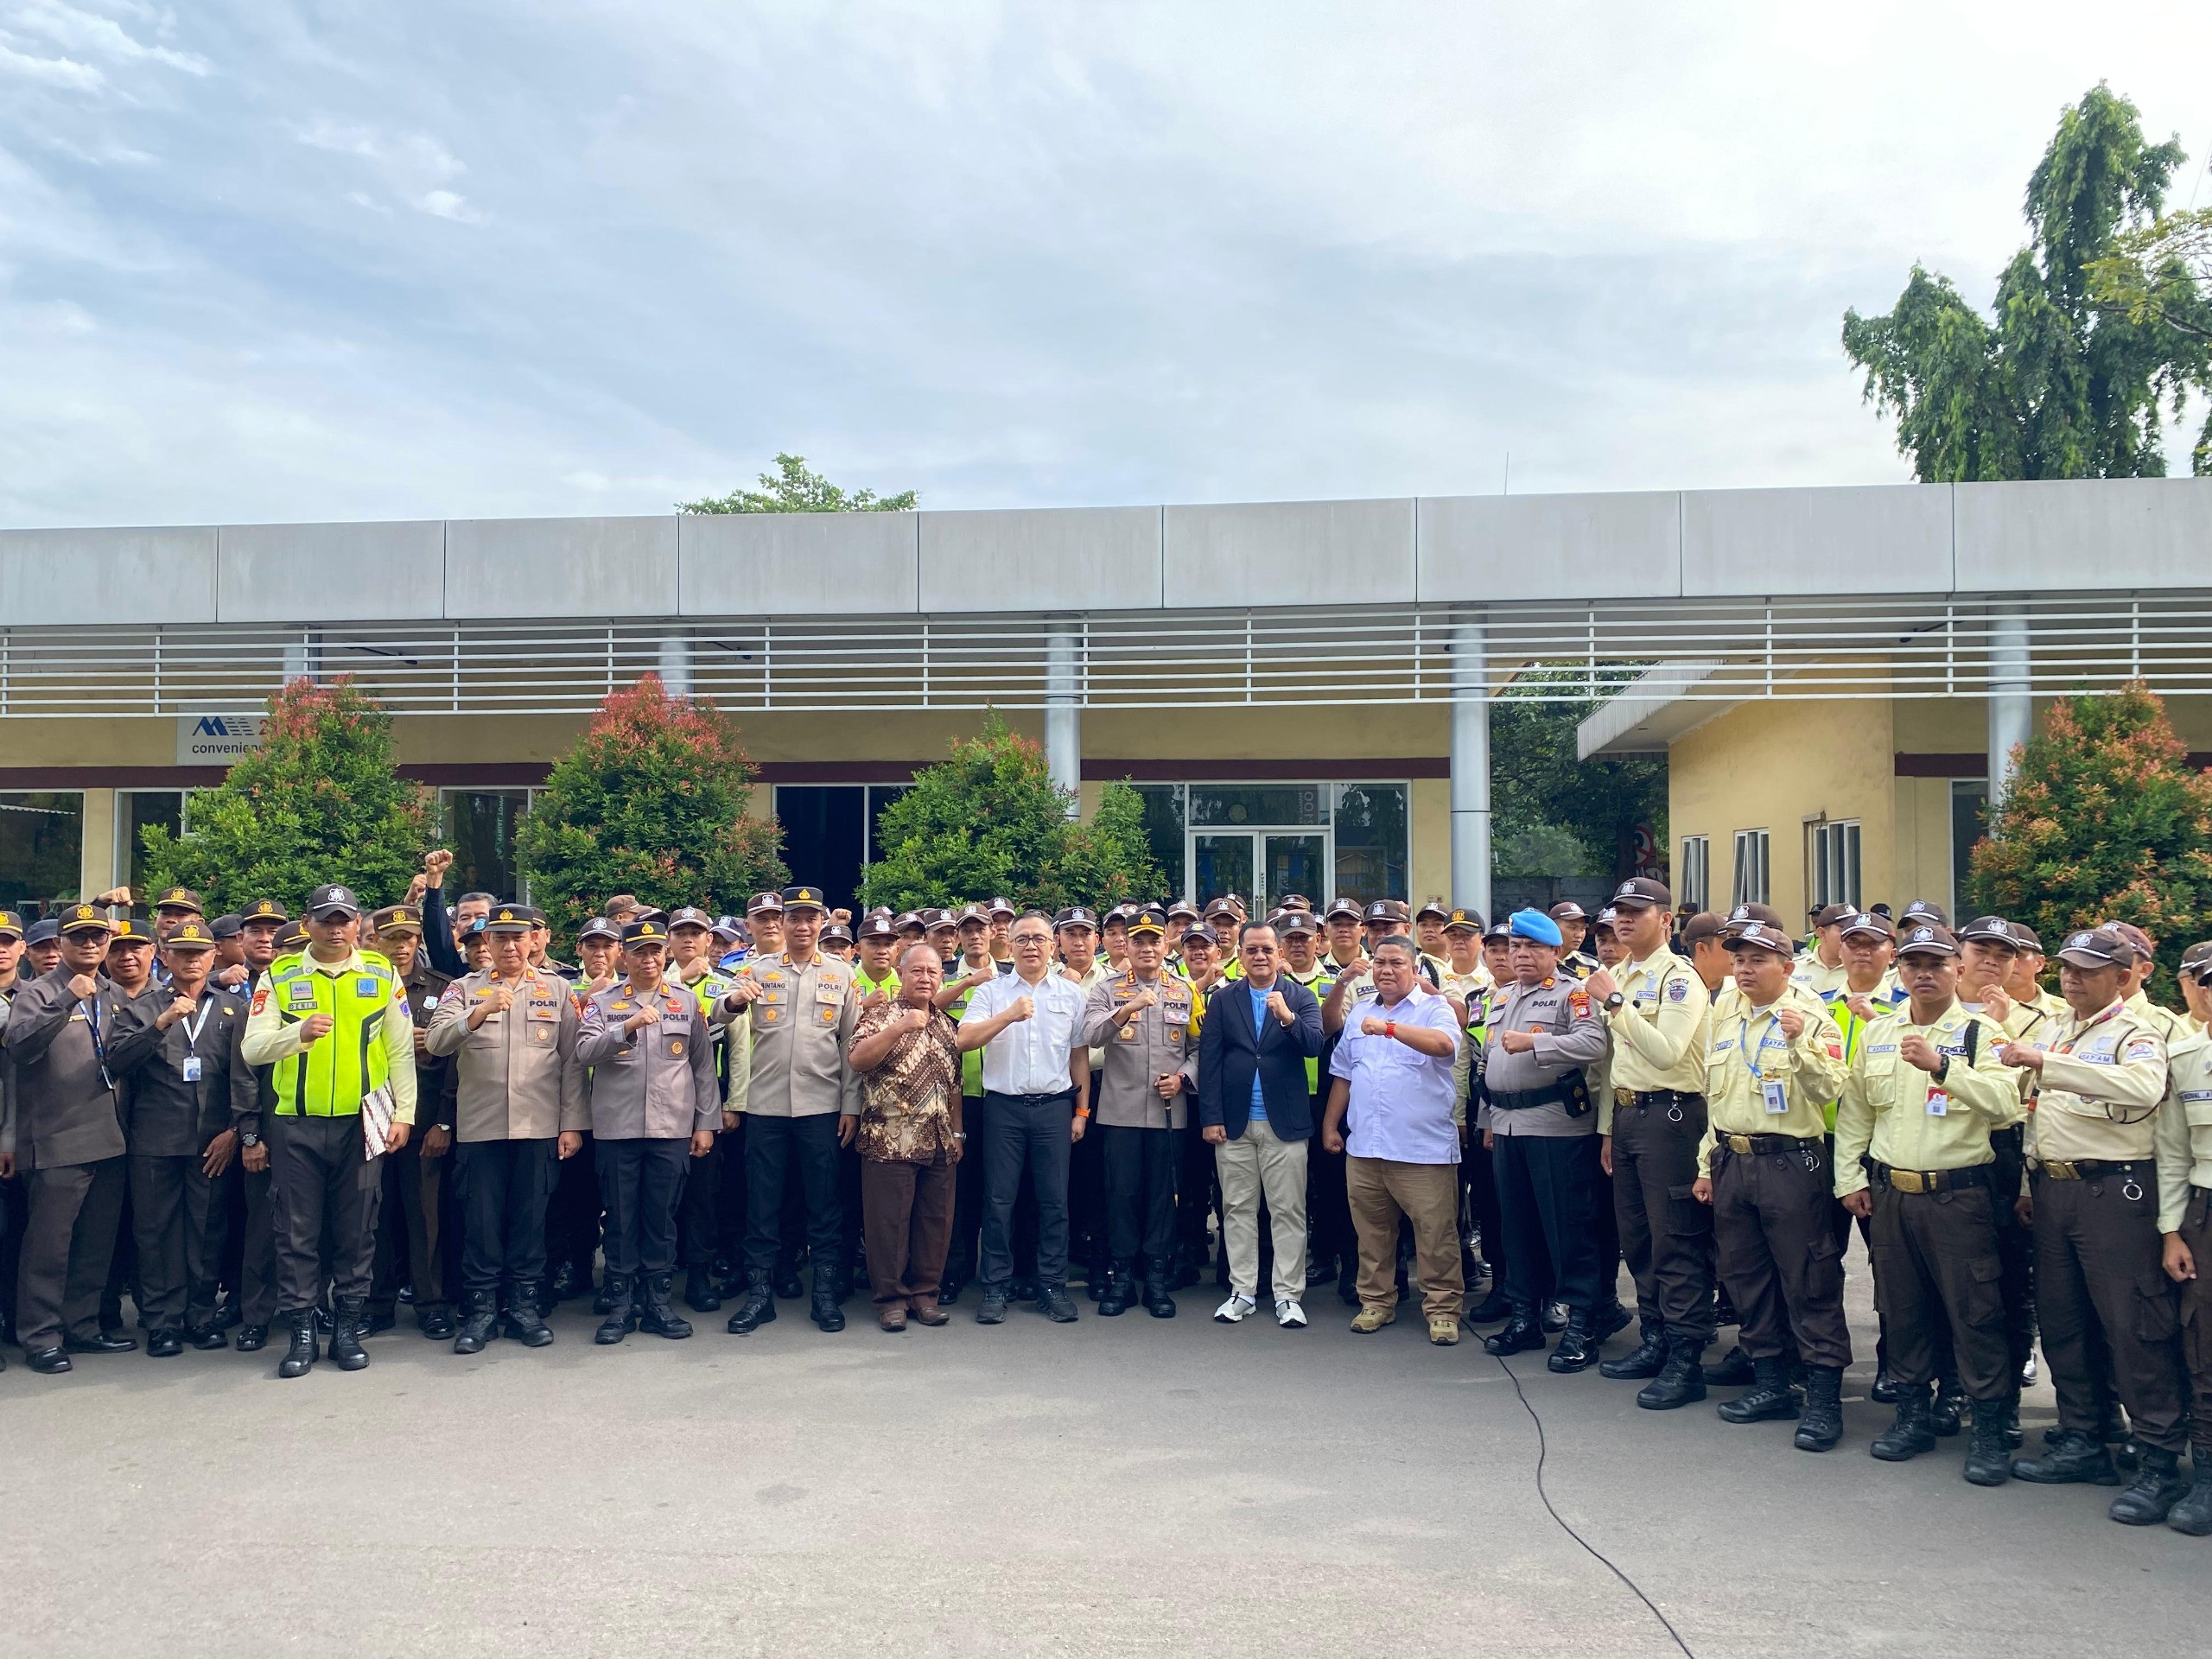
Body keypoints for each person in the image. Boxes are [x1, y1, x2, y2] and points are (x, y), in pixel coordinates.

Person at [2005, 926, 2196, 1522]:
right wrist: (2031, 1182)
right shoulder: (2061, 1028)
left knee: (2133, 1325)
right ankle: (2084, 1438)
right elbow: (2040, 1116)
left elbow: (2141, 1090)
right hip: (2059, 1189)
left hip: (2116, 1190)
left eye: (2088, 970)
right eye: (2067, 969)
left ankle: (2159, 1459)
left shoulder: (2137, 1033)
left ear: (2125, 976)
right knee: (2064, 1320)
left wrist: (2048, 1062)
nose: (2072, 979)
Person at [1834, 922, 2022, 1484]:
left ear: (1957, 970)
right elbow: (1858, 1112)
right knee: (1903, 1310)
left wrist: (1945, 1069)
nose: (1923, 974)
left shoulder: (1980, 1033)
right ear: (1901, 971)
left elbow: (2006, 1104)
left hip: (1958, 1196)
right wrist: (1850, 1177)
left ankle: (1987, 1429)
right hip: (1894, 1194)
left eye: (1936, 964)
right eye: (1913, 964)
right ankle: (1912, 1415)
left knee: (1976, 1314)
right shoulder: (1880, 1032)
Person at [239, 886, 417, 1379]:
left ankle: (347, 1326)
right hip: (296, 1121)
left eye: (345, 919)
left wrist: (404, 1114)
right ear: (307, 923)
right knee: (295, 1230)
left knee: (357, 1227)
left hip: (363, 1120)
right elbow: (252, 1049)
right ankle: (301, 1329)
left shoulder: (382, 973)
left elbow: (401, 1051)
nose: (337, 928)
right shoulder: (280, 974)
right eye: (326, 919)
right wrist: (295, 1035)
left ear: (359, 923)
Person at [1695, 918, 1852, 1449]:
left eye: (1757, 960)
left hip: (1788, 1161)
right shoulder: (1725, 1010)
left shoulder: (1809, 1014)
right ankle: (1770, 1384)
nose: (1744, 969)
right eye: (1738, 959)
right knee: (1746, 1278)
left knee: (1808, 1279)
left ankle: (1824, 1397)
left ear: (1787, 966)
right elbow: (1716, 1095)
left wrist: (1798, 1041)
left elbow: (1832, 1088)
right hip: (1732, 1159)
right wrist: (1704, 1163)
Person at [424, 903, 586, 1352]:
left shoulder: (555, 991)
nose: (510, 946)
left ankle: (524, 1307)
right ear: (486, 945)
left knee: (530, 1221)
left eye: (519, 937)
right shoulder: (462, 989)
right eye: (500, 938)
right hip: (481, 1127)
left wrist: (571, 1125)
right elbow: (436, 1042)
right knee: (481, 1221)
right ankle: (480, 1312)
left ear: (534, 940)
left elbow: (572, 1063)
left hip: (538, 1127)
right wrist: (478, 1014)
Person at [1588, 876, 1716, 1408]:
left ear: (1665, 920)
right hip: (1629, 1115)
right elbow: (1613, 1062)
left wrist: (1617, 1004)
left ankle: (1687, 1359)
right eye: (1619, 910)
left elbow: (1667, 1053)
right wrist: (1607, 1129)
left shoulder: (1677, 978)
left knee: (1675, 1238)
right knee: (1637, 1237)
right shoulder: (1616, 973)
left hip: (1672, 1115)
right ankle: (1656, 1339)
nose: (1624, 919)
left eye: (1637, 911)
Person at [105, 918, 254, 1356]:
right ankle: (162, 1321)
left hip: (213, 1142)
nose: (191, 960)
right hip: (154, 1140)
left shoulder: (232, 1008)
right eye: (182, 953)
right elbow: (118, 1061)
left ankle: (200, 1315)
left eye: (200, 953)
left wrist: (234, 1131)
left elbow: (245, 1077)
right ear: (164, 956)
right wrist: (162, 1023)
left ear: (214, 957)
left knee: (208, 1231)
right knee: (156, 1233)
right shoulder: (141, 1006)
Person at [1474, 910, 1612, 1366]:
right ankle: (1524, 1318)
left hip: (1555, 1125)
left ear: (1556, 951)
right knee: (1517, 1226)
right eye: (1516, 947)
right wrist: (1488, 1120)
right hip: (1508, 1125)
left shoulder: (1572, 994)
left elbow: (1595, 1045)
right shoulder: (1501, 996)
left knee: (1567, 1227)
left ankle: (1581, 1324)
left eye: (1533, 947)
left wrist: (1536, 1044)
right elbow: (1487, 1063)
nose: (1522, 955)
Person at [720, 886, 859, 1335]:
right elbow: (721, 1013)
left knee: (824, 1204)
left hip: (822, 1106)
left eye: (809, 918)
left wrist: (850, 1105)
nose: (801, 926)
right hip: (767, 1107)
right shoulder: (755, 969)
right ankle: (760, 1297)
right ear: (781, 921)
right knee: (762, 1203)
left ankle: (824, 1295)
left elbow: (850, 1045)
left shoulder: (841, 974)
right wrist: (736, 1000)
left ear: (821, 923)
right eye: (793, 917)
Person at [6, 904, 137, 1373]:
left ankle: (82, 1327)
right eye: (78, 937)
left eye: (97, 938)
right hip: (57, 1139)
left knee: (94, 1242)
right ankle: (40, 1335)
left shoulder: (116, 992)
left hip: (110, 1136)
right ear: (59, 943)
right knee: (49, 1245)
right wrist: (65, 1001)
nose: (89, 945)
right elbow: (19, 1047)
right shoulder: (39, 991)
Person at [575, 918, 719, 1342]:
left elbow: (702, 1067)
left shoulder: (685, 1001)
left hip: (670, 1127)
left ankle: (658, 1303)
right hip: (617, 1128)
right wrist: (627, 1028)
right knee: (620, 1219)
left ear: (666, 954)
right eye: (639, 951)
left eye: (656, 950)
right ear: (624, 955)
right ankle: (620, 1306)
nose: (649, 959)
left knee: (662, 1218)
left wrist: (705, 1123)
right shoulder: (602, 1002)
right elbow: (584, 1052)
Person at [1322, 935, 1464, 1344]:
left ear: (1415, 969)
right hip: (1366, 1145)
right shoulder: (1359, 1012)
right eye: (1380, 962)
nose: (1386, 969)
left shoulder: (1435, 1009)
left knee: (1436, 1234)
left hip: (1422, 1149)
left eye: (1396, 963)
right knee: (1372, 1232)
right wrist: (1332, 1125)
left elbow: (1443, 1047)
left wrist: (1389, 1028)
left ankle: (1442, 1310)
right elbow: (1344, 1073)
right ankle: (1377, 1302)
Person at [958, 909, 1090, 1325]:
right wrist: (1008, 1015)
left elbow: (1079, 1056)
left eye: (1038, 939)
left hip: (1054, 1107)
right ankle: (996, 1286)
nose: (1031, 946)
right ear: (1008, 945)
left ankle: (1051, 1283)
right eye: (1022, 939)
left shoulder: (1071, 995)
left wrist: (1081, 1111)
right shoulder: (993, 993)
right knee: (999, 1201)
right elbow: (963, 1040)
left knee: (1054, 1201)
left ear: (1052, 945)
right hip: (1004, 1109)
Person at [1198, 919, 1325, 1328]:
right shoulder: (1223, 1000)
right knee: (1237, 1209)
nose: (1259, 956)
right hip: (1234, 1123)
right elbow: (1210, 1060)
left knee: (1288, 1210)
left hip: (1283, 1123)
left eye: (1267, 949)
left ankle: (1288, 1295)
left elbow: (1313, 1045)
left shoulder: (1300, 997)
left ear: (1280, 953)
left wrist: (1286, 1017)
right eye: (1251, 949)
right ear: (1240, 954)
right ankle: (1243, 1291)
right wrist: (1211, 1116)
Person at [1084, 907, 1198, 1319]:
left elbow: (1200, 1049)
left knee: (1163, 1197)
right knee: (1121, 1196)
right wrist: (1127, 1008)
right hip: (1120, 1112)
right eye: (1138, 942)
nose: (1147, 948)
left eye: (1154, 941)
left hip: (1170, 1110)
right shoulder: (1108, 988)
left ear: (1165, 945)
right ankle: (1121, 1279)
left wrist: (1184, 1078)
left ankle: (1156, 1279)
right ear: (1126, 947)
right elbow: (1090, 1034)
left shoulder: (1185, 990)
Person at [846, 944, 964, 1330]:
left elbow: (955, 1085)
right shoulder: (880, 1015)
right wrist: (898, 1028)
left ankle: (926, 1295)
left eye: (932, 972)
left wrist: (958, 1131)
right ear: (901, 972)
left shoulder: (947, 1023)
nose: (925, 977)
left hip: (940, 1139)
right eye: (917, 971)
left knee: (935, 1222)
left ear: (941, 978)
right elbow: (858, 1059)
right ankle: (891, 1300)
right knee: (888, 1225)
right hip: (889, 1140)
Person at [363, 904, 460, 1341]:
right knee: (374, 1217)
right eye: (391, 939)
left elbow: (455, 1063)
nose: (401, 947)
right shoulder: (361, 986)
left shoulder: (442, 988)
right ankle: (375, 1302)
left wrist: (443, 1122)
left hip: (421, 1123)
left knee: (426, 1218)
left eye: (409, 939)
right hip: (370, 1121)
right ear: (375, 942)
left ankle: (431, 1302)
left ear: (418, 942)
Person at [2159, 965, 2212, 1533]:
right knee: (2204, 1349)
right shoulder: (2187, 1063)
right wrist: (2172, 1230)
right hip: (2204, 1212)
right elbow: (2173, 1155)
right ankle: (2206, 1478)